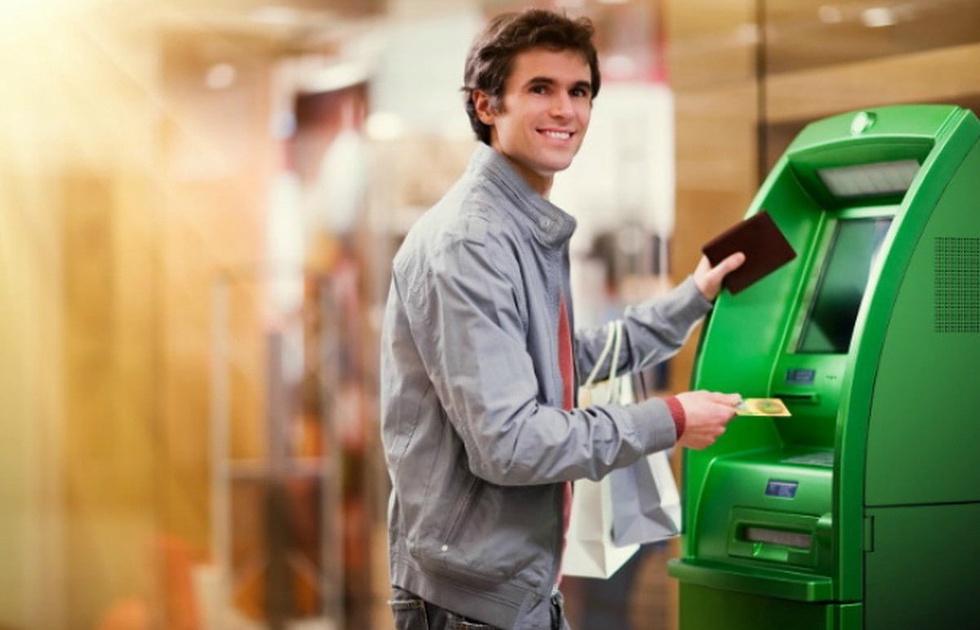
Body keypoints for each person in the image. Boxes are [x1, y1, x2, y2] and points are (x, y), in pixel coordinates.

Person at [379, 8, 745, 630]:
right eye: (540, 88)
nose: (565, 110)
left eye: (579, 91)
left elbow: (566, 362)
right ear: (486, 105)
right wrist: (670, 419)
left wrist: (694, 297)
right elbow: (511, 443)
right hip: (470, 604)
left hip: (510, 586)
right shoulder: (472, 242)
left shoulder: (521, 226)